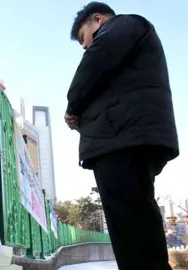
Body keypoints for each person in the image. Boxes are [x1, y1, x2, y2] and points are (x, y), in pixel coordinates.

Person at [64, 2, 179, 269]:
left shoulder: (124, 24)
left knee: (131, 229)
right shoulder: (129, 40)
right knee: (136, 225)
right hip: (125, 136)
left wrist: (73, 106)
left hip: (123, 141)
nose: (86, 48)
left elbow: (93, 65)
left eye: (86, 39)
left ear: (98, 19)